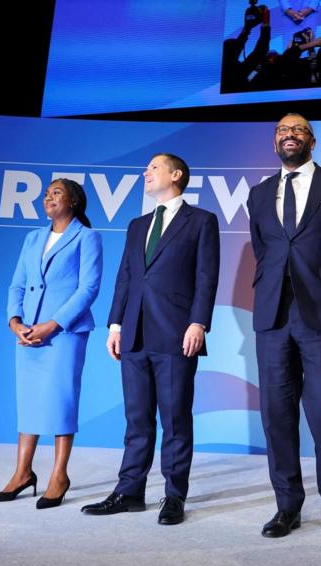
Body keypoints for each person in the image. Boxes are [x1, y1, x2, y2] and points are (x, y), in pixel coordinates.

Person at [247, 113, 321, 538]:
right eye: (281, 130)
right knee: (276, 414)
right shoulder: (259, 194)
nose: (289, 135)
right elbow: (265, 250)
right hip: (272, 317)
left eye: (297, 129)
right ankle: (287, 505)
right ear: (274, 142)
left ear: (312, 140)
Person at [80, 154, 220, 525]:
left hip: (176, 333)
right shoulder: (137, 224)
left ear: (176, 175)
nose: (146, 172)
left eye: (154, 167)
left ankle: (174, 496)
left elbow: (207, 276)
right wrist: (115, 325)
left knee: (175, 419)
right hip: (134, 335)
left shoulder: (201, 221)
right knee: (136, 418)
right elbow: (126, 276)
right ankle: (129, 491)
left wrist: (199, 323)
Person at [0, 178, 103, 509]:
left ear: (75, 202)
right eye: (46, 194)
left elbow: (88, 288)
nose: (48, 198)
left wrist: (52, 325)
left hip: (64, 333)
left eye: (56, 193)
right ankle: (22, 474)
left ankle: (59, 476)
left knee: (60, 401)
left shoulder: (87, 237)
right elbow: (17, 285)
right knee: (29, 401)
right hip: (28, 333)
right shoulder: (33, 238)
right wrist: (15, 322)